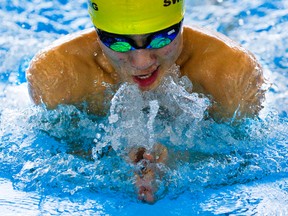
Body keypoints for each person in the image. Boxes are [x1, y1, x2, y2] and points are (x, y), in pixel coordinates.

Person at [26, 0, 265, 203]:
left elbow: (245, 156)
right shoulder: (58, 73)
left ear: (181, 24)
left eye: (162, 39)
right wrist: (115, 164)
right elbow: (60, 154)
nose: (141, 62)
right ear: (97, 33)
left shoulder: (230, 71)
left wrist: (178, 161)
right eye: (117, 42)